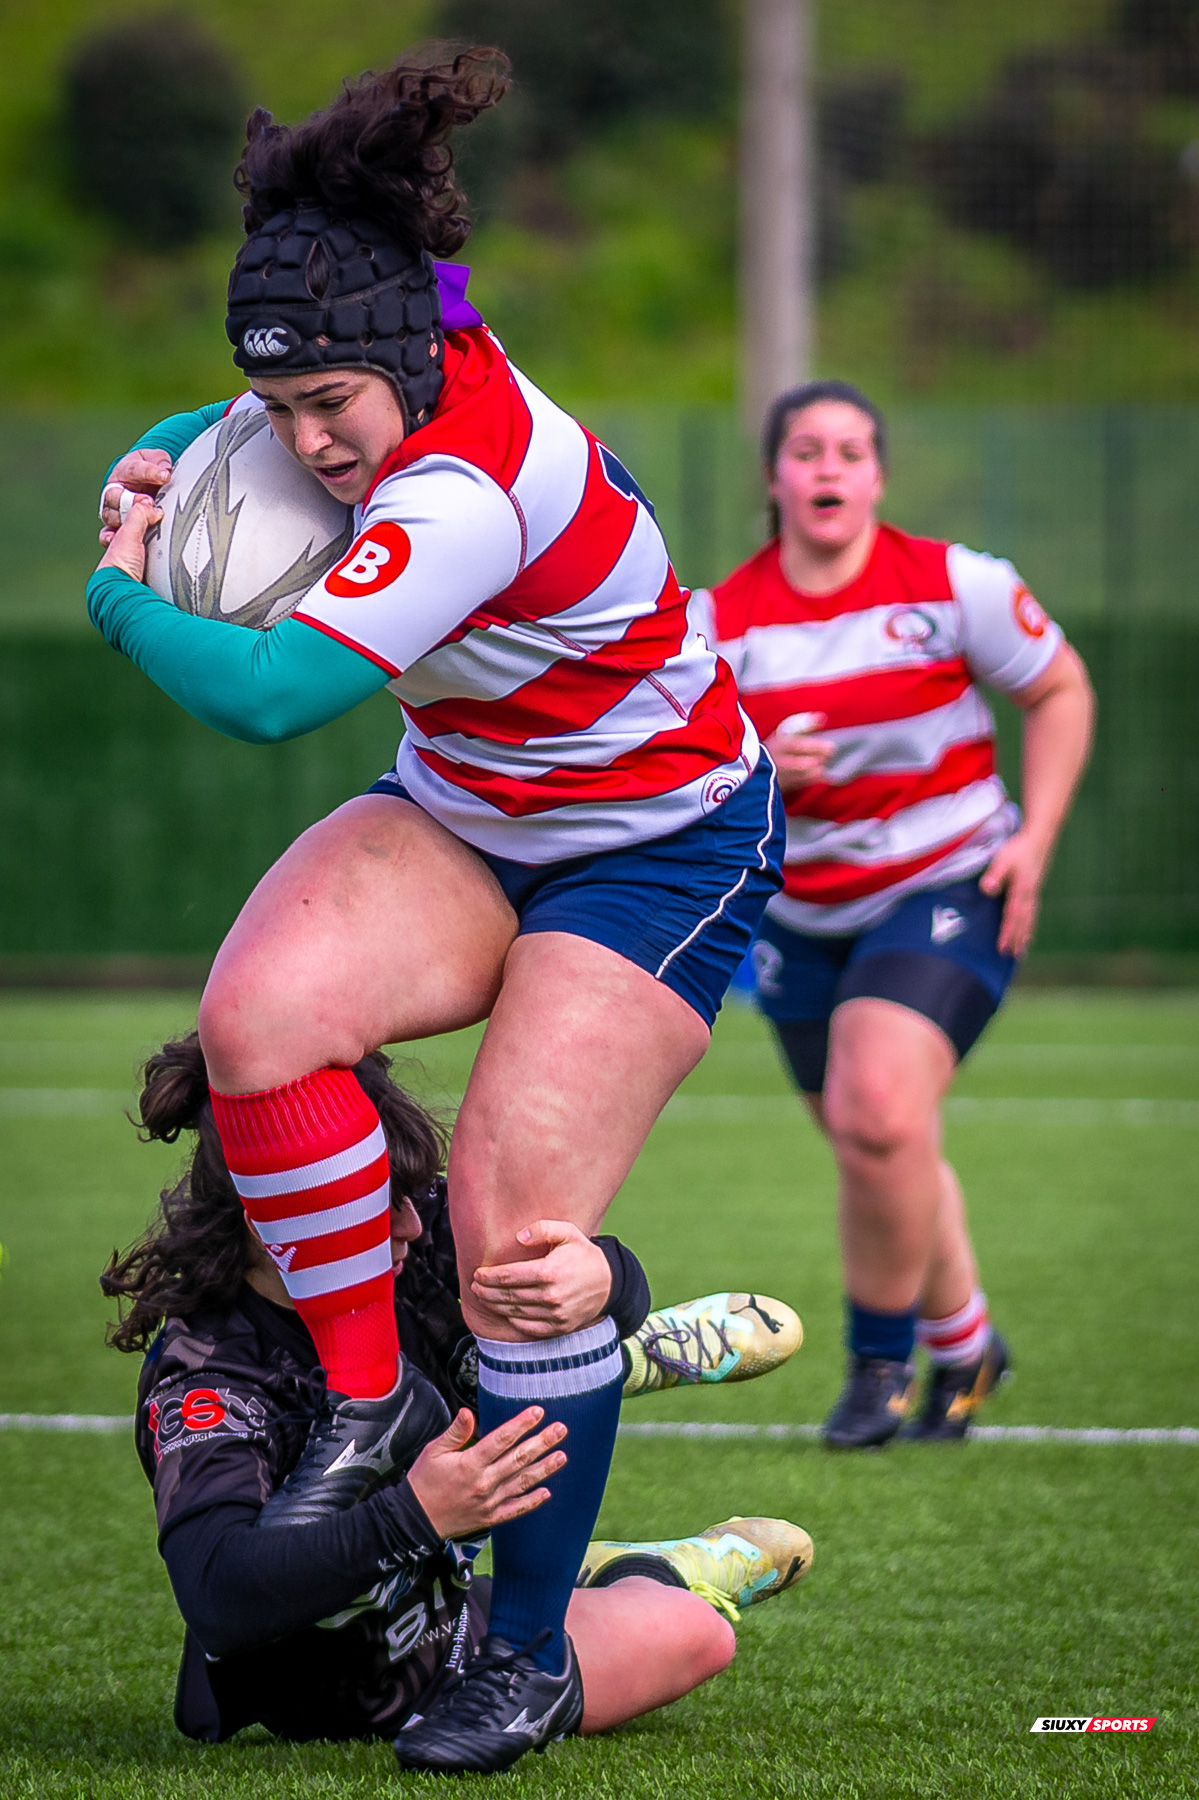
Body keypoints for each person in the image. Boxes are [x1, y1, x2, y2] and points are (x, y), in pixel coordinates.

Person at [87, 48, 784, 1772]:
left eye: (336, 405)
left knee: (515, 1254)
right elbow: (232, 422)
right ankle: (365, 1394)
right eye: (285, 403)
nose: (308, 442)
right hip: (475, 804)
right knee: (258, 1023)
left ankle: (531, 1651)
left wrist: (117, 589)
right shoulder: (398, 334)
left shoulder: (465, 487)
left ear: (407, 363)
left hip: (658, 841)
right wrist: (160, 451)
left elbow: (260, 699)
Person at [102, 1035, 812, 1754]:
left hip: (445, 1562)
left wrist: (604, 1276)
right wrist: (417, 1515)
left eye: (410, 1194)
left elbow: (593, 1273)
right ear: (273, 1219)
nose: (412, 1223)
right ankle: (657, 1566)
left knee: (516, 1322)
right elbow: (221, 1595)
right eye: (376, 1208)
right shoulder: (209, 1375)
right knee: (696, 1634)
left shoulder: (425, 1226)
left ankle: (620, 1359)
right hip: (352, 1670)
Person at [693, 380, 1094, 1452]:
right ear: (773, 477)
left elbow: (1058, 690)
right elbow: (678, 773)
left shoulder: (955, 585)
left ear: (875, 476)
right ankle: (965, 1342)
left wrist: (1033, 842)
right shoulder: (716, 626)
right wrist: (756, 764)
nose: (828, 468)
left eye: (850, 451)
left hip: (947, 884)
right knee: (881, 1141)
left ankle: (879, 1369)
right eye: (806, 451)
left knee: (875, 1112)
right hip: (795, 914)